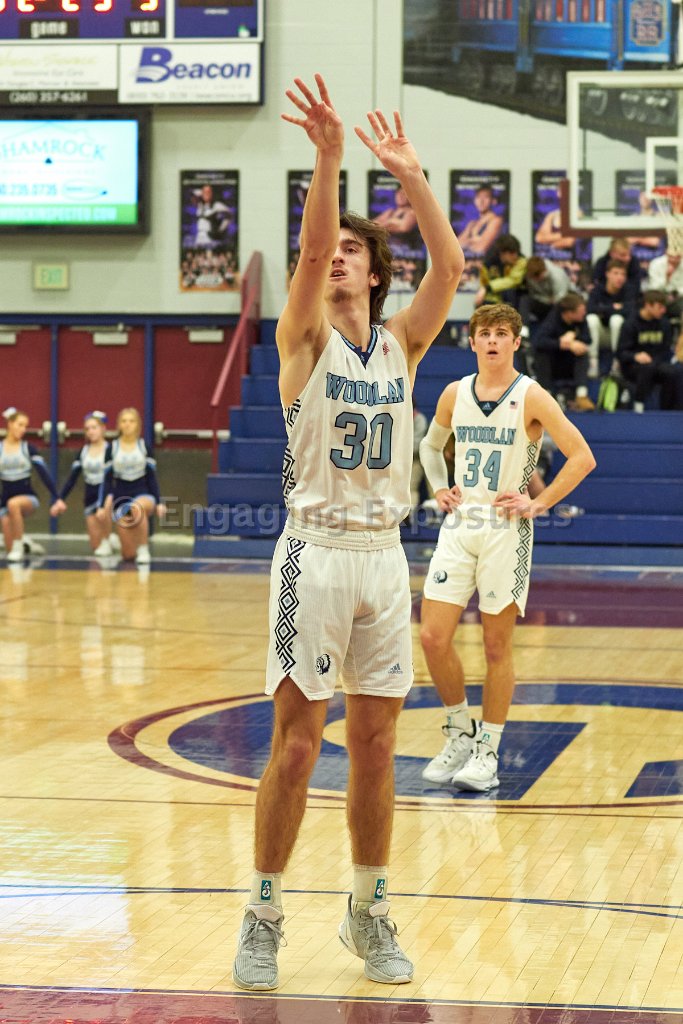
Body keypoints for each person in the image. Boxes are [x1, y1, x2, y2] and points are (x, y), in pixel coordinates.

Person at [232, 73, 464, 992]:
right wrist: (329, 158)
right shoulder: (304, 340)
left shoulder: (401, 344)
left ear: (374, 274)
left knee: (374, 747)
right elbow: (309, 248)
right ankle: (262, 914)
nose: (334, 259)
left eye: (351, 253)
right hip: (315, 553)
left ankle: (368, 909)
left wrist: (411, 177)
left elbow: (449, 271)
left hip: (383, 558)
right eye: (328, 250)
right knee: (296, 745)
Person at [418, 303, 595, 791]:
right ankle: (459, 732)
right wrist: (438, 487)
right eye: (485, 333)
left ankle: (488, 752)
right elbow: (430, 446)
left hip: (505, 530)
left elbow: (582, 457)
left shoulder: (531, 395)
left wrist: (539, 503)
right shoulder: (455, 393)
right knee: (432, 637)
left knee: (496, 646)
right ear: (472, 341)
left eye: (501, 334)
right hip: (461, 525)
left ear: (516, 343)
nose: (492, 340)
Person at [96, 408, 166, 564]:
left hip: (143, 494)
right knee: (128, 555)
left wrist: (159, 502)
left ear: (138, 425)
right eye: (124, 421)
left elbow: (152, 477)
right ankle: (124, 545)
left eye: (131, 421)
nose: (127, 424)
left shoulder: (144, 447)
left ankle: (144, 548)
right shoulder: (112, 448)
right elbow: (107, 479)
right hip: (121, 497)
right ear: (119, 425)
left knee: (136, 508)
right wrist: (101, 506)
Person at [51, 411, 118, 557]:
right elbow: (72, 478)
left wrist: (102, 504)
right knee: (95, 547)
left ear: (103, 428)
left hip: (108, 493)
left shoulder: (111, 450)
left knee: (107, 504)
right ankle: (109, 539)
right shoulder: (83, 451)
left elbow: (113, 477)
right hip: (90, 495)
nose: (91, 431)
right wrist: (60, 498)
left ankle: (108, 539)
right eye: (87, 429)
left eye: (94, 427)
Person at [0, 407, 63, 562]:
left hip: (28, 498)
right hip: (5, 500)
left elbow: (44, 473)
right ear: (10, 424)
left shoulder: (28, 448)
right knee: (8, 548)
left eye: (25, 426)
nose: (23, 429)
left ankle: (18, 546)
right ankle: (27, 545)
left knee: (13, 504)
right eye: (20, 425)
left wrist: (57, 497)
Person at [616, 290, 683, 412]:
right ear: (648, 305)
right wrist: (635, 356)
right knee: (647, 367)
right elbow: (621, 353)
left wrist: (657, 361)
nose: (663, 310)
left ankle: (668, 411)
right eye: (660, 307)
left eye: (664, 307)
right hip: (633, 366)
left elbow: (665, 351)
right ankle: (638, 405)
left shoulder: (664, 324)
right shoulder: (630, 324)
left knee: (674, 371)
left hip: (656, 363)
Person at [532, 293, 595, 410]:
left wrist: (574, 335)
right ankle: (546, 394)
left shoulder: (581, 319)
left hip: (570, 365)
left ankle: (581, 395)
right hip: (553, 363)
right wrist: (562, 344)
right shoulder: (553, 319)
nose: (584, 313)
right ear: (569, 313)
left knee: (582, 350)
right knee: (542, 353)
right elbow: (539, 342)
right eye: (581, 311)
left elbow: (588, 338)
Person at [585, 259, 635, 378]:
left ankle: (617, 363)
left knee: (616, 319)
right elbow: (589, 309)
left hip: (620, 335)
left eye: (623, 274)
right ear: (607, 274)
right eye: (616, 273)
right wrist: (613, 307)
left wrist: (603, 310)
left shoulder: (629, 290)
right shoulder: (597, 290)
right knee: (591, 319)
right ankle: (593, 362)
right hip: (600, 334)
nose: (619, 277)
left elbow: (630, 311)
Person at [475, 234, 527, 309]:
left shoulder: (521, 260)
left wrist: (487, 287)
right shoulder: (488, 263)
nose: (515, 256)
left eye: (516, 252)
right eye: (512, 253)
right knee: (481, 303)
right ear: (502, 253)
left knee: (510, 292)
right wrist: (484, 292)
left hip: (515, 296)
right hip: (493, 297)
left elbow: (514, 281)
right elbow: (483, 283)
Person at [459, 185, 504, 256]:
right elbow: (456, 246)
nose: (481, 201)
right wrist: (473, 240)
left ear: (493, 201)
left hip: (486, 262)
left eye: (486, 197)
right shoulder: (472, 224)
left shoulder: (496, 220)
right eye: (478, 197)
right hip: (468, 262)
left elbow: (480, 249)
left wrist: (467, 242)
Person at [592, 238, 641, 302]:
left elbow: (636, 286)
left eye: (629, 254)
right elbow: (596, 282)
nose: (628, 258)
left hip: (627, 297)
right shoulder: (602, 263)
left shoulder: (634, 262)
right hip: (604, 297)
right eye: (623, 255)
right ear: (612, 254)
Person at [191, 183, 232, 248]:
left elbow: (229, 215)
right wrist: (201, 193)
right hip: (199, 236)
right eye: (204, 192)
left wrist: (221, 229)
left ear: (212, 193)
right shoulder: (200, 205)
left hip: (210, 237)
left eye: (208, 192)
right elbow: (193, 197)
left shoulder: (217, 205)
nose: (206, 194)